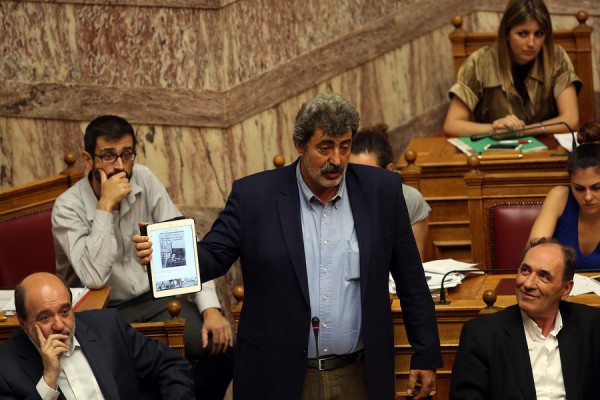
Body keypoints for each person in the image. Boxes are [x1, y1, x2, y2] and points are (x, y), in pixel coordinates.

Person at [135, 92, 443, 400]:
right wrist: (161, 256)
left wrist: (426, 353)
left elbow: (411, 280)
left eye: (344, 146)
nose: (337, 160)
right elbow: (213, 255)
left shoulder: (381, 192)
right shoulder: (254, 197)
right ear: (300, 145)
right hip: (278, 376)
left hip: (359, 373)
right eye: (325, 147)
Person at [51, 115, 234, 399]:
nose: (120, 166)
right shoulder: (67, 207)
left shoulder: (145, 179)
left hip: (156, 301)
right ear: (88, 160)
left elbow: (185, 243)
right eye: (108, 156)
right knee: (123, 376)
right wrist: (106, 206)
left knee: (222, 347)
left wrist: (210, 309)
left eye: (127, 155)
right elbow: (94, 277)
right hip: (102, 312)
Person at [0, 272, 195, 399]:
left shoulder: (108, 327)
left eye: (65, 311)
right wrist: (49, 379)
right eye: (45, 317)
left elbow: (170, 364)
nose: (59, 325)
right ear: (23, 323)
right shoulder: (6, 370)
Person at [449, 238, 600, 399]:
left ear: (566, 289)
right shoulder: (481, 335)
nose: (528, 284)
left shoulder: (592, 326)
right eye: (525, 270)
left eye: (544, 276)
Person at [443, 0, 581, 137]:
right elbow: (452, 124)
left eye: (539, 34)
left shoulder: (556, 57)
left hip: (547, 144)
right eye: (522, 34)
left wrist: (523, 131)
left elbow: (571, 120)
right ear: (506, 33)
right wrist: (494, 129)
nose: (531, 43)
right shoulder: (479, 62)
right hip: (497, 147)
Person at [349, 123, 430, 259]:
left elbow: (413, 261)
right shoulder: (339, 200)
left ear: (388, 170)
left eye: (368, 174)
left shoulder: (409, 199)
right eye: (352, 173)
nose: (359, 182)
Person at [529, 121, 600, 268]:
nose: (588, 197)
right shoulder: (559, 197)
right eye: (579, 188)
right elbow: (532, 258)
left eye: (597, 187)